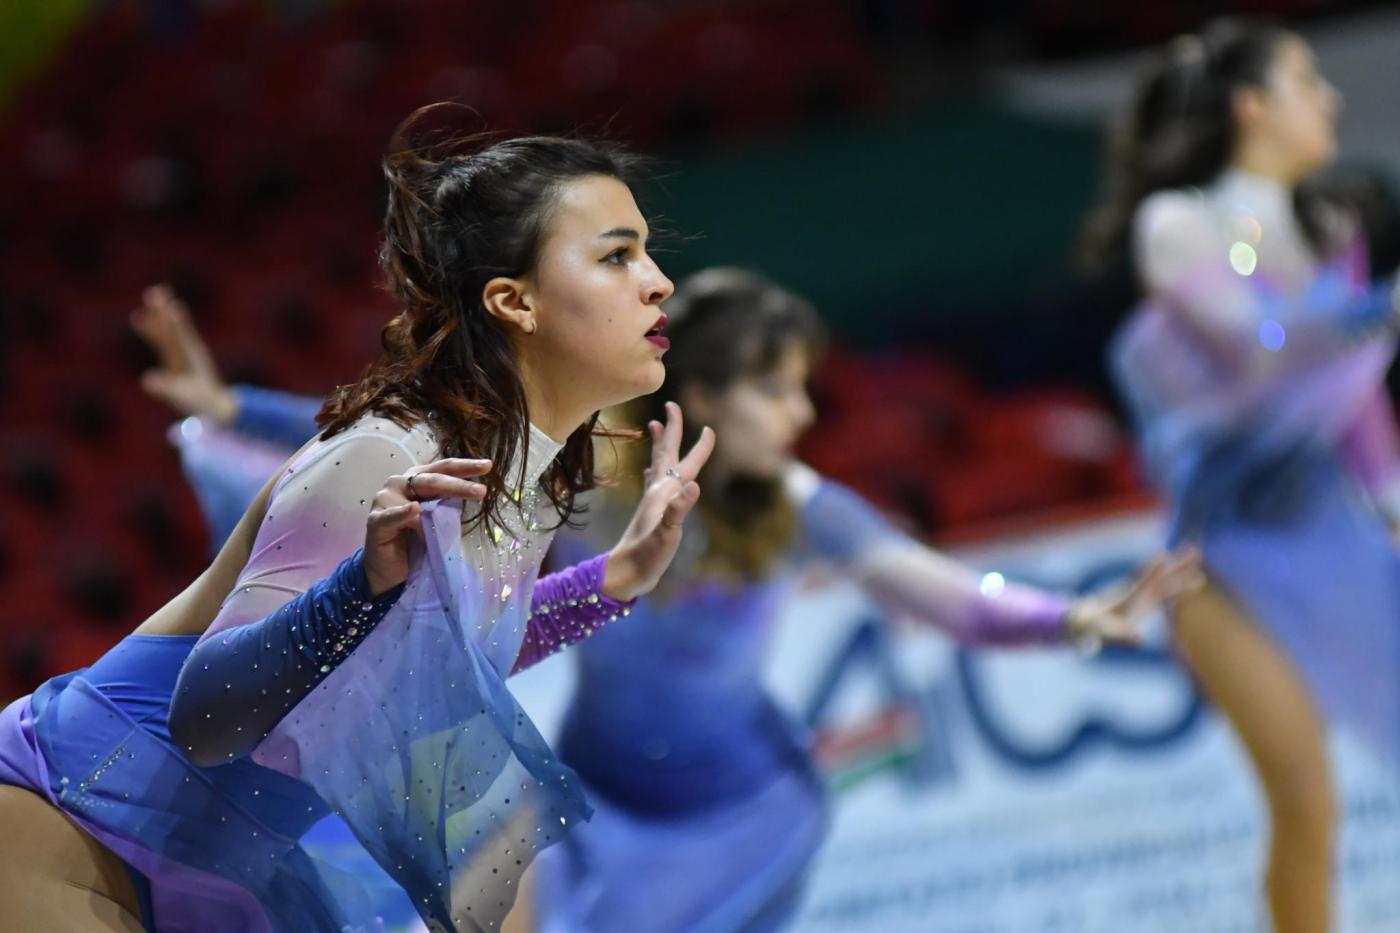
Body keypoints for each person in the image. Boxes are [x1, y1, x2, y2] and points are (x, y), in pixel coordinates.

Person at [0, 104, 714, 932]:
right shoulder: (387, 456)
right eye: (618, 255)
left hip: (217, 858)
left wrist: (610, 582)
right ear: (514, 301)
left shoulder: (528, 487)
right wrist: (358, 589)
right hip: (73, 815)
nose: (659, 281)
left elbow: (435, 667)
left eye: (646, 251)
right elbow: (203, 718)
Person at [525, 268, 1199, 932]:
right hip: (589, 798)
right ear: (701, 397)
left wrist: (1073, 618)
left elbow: (957, 602)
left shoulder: (801, 507)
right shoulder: (590, 483)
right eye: (775, 390)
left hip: (737, 821)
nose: (803, 413)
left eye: (802, 388)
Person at [1081, 19, 1400, 932]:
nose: (1329, 99)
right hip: (1221, 564)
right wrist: (1380, 310)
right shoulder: (1177, 224)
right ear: (1251, 107)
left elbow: (1352, 398)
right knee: (1307, 797)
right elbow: (1253, 343)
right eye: (1306, 82)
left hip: (1335, 539)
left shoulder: (1331, 226)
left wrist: (1392, 505)